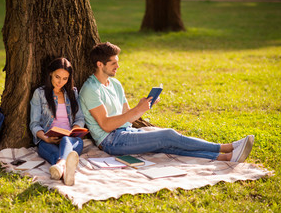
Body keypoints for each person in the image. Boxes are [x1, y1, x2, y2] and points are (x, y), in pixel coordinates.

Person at [79, 42, 254, 162]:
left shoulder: (115, 84)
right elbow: (107, 125)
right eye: (113, 63)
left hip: (125, 132)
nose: (118, 66)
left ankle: (227, 157)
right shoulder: (90, 90)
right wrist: (135, 110)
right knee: (168, 135)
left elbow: (127, 118)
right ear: (100, 64)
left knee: (168, 145)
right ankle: (226, 147)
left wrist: (142, 108)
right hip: (111, 141)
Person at [30, 57, 85, 186]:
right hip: (47, 140)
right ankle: (65, 171)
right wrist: (46, 138)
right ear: (50, 73)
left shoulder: (73, 93)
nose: (60, 82)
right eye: (57, 77)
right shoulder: (40, 94)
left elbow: (80, 118)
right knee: (51, 150)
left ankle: (60, 167)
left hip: (71, 140)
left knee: (66, 140)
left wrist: (73, 131)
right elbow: (34, 124)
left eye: (65, 79)